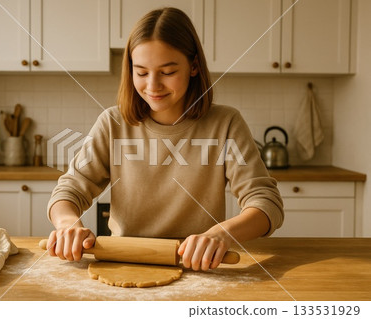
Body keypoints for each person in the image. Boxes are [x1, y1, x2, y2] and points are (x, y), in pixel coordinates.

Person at [46, 7, 283, 271]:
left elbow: (265, 203)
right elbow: (70, 190)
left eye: (168, 72)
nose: (153, 85)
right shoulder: (112, 123)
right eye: (142, 72)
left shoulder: (225, 123)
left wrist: (221, 234)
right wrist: (68, 226)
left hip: (199, 266)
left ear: (193, 66)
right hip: (124, 263)